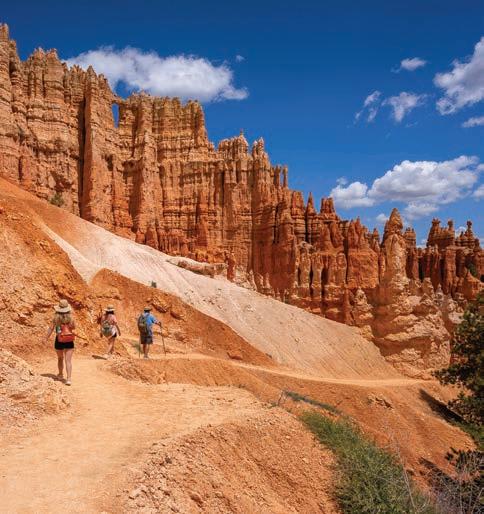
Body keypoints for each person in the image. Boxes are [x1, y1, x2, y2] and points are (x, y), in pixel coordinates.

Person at [45, 299, 75, 386]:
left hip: (59, 339)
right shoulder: (71, 318)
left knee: (60, 358)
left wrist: (46, 338)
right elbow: (73, 327)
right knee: (68, 361)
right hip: (69, 340)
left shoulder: (56, 318)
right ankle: (68, 379)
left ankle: (61, 375)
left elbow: (51, 329)